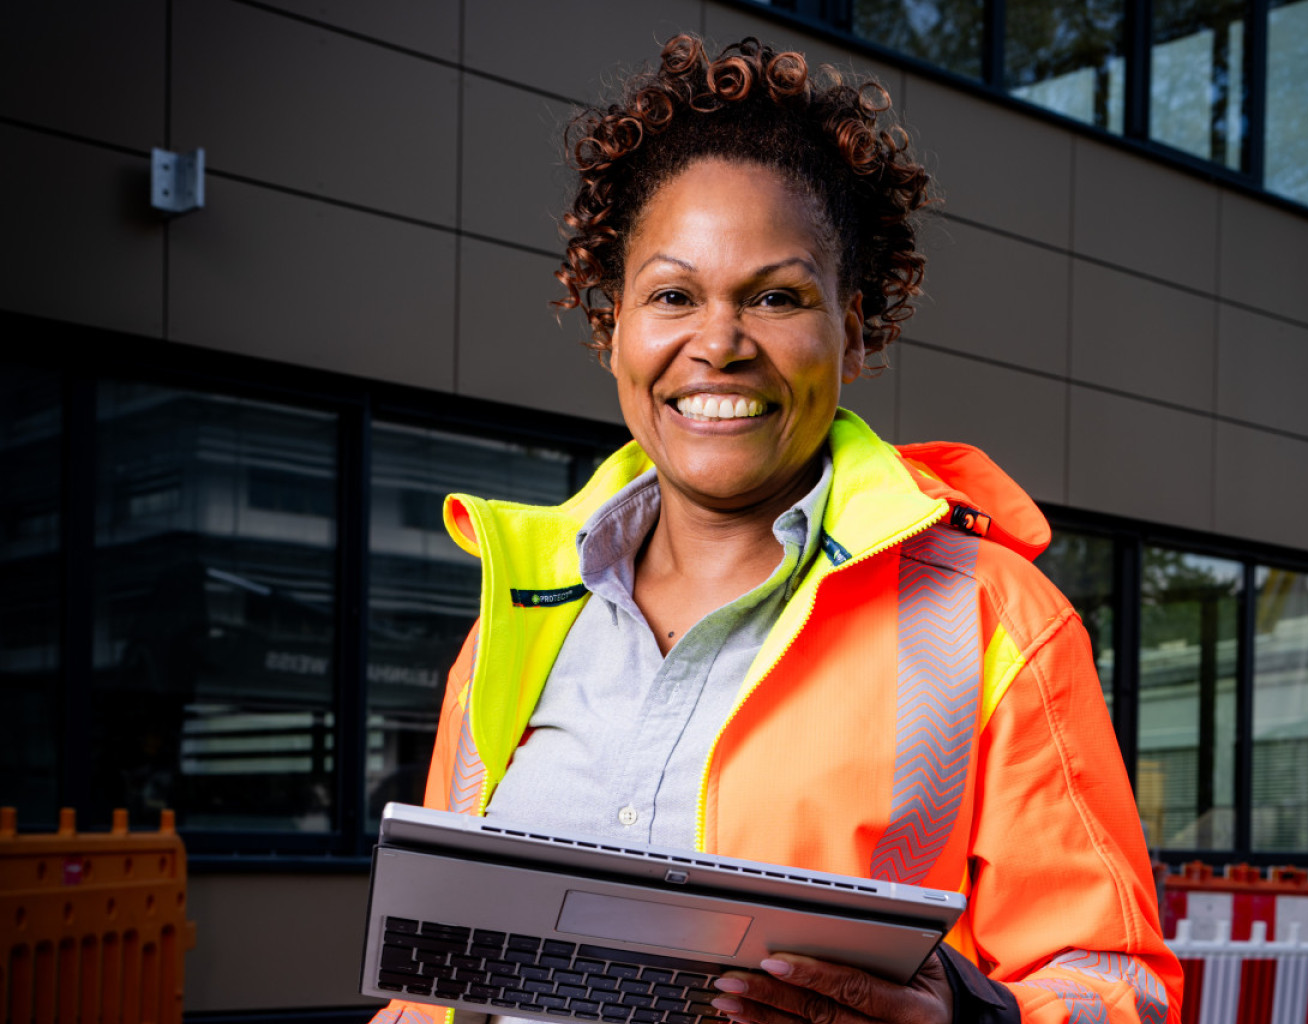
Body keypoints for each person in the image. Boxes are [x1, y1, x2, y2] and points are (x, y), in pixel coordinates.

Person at [369, 34, 1181, 1024]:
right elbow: (438, 993)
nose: (718, 343)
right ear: (612, 324)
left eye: (778, 296)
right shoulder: (515, 618)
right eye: (673, 294)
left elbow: (1112, 988)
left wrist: (968, 1019)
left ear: (857, 322)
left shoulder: (990, 621)